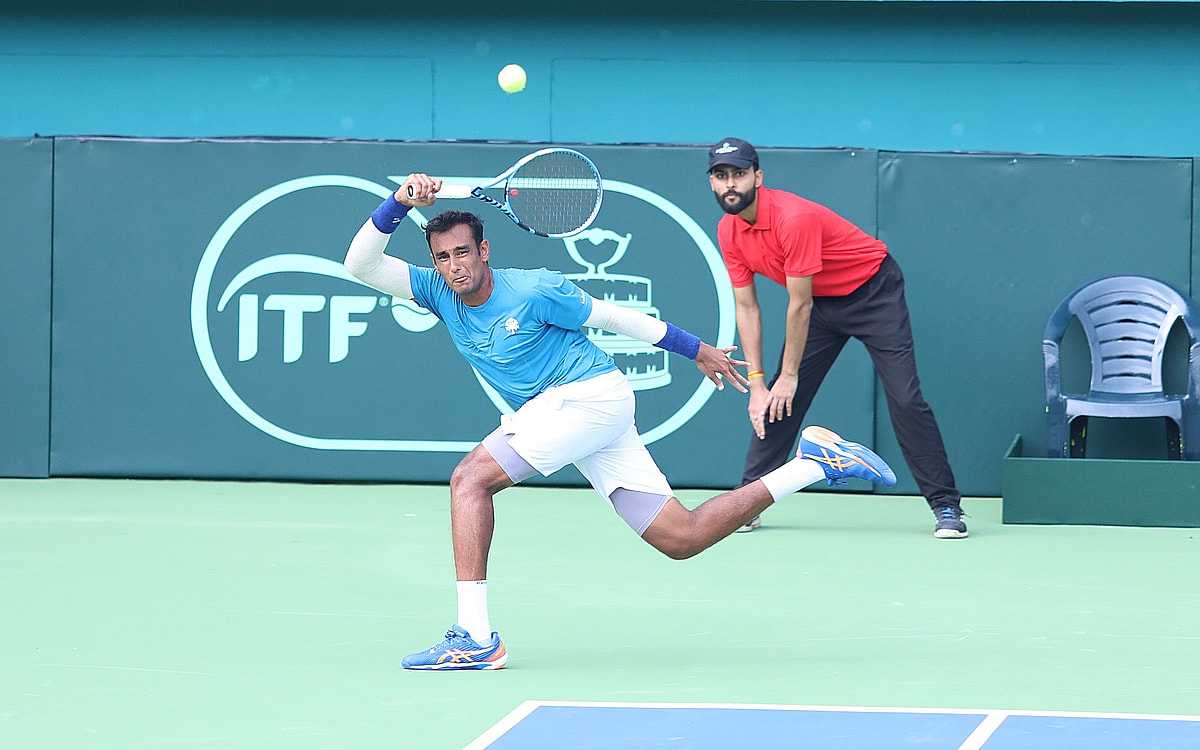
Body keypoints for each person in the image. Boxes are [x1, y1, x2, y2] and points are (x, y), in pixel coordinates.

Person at [344, 171, 898, 671]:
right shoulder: (439, 292)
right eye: (442, 258)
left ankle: (474, 636)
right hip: (577, 415)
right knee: (681, 537)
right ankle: (812, 466)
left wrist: (695, 348)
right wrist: (396, 202)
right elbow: (360, 265)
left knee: (471, 478)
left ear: (483, 250)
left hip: (586, 400)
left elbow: (612, 316)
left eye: (462, 253)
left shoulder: (535, 288)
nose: (453, 266)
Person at [705, 138, 968, 540]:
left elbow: (799, 305)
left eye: (739, 174)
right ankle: (747, 503)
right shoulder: (729, 230)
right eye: (721, 176)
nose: (730, 184)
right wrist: (758, 383)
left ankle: (945, 504)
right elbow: (747, 308)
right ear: (712, 183)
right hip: (819, 303)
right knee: (777, 402)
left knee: (905, 398)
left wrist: (788, 376)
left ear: (758, 177)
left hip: (873, 292)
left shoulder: (793, 219)